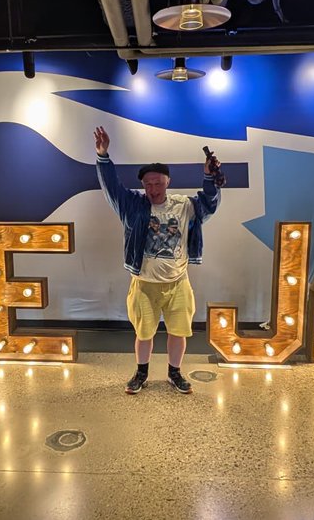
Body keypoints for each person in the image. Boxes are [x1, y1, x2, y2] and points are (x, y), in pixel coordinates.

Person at [94, 125, 223, 394]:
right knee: (144, 333)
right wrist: (103, 156)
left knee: (179, 331)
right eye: (148, 183)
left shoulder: (184, 205)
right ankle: (141, 373)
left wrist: (210, 177)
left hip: (178, 282)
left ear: (168, 182)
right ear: (142, 185)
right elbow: (112, 188)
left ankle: (175, 373)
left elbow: (209, 204)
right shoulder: (133, 206)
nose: (153, 188)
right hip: (144, 283)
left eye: (158, 182)